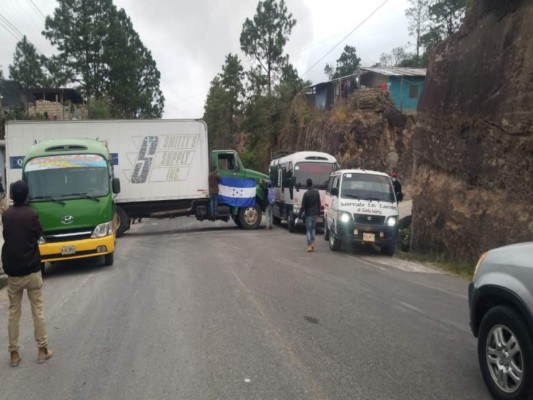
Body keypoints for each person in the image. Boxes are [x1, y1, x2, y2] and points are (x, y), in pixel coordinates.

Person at [2, 180, 52, 367]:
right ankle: (42, 350)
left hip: (14, 272)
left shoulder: (6, 215)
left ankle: (14, 354)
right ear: (27, 196)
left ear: (13, 196)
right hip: (32, 270)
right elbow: (39, 234)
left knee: (14, 312)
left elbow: (9, 236)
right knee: (37, 310)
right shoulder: (32, 214)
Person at [298, 178, 321, 252]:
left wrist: (299, 214)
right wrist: (319, 212)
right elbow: (319, 203)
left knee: (308, 230)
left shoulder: (306, 194)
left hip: (308, 214)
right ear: (312, 183)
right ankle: (313, 243)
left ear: (307, 184)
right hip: (315, 214)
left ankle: (309, 245)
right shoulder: (317, 192)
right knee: (313, 229)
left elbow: (303, 206)